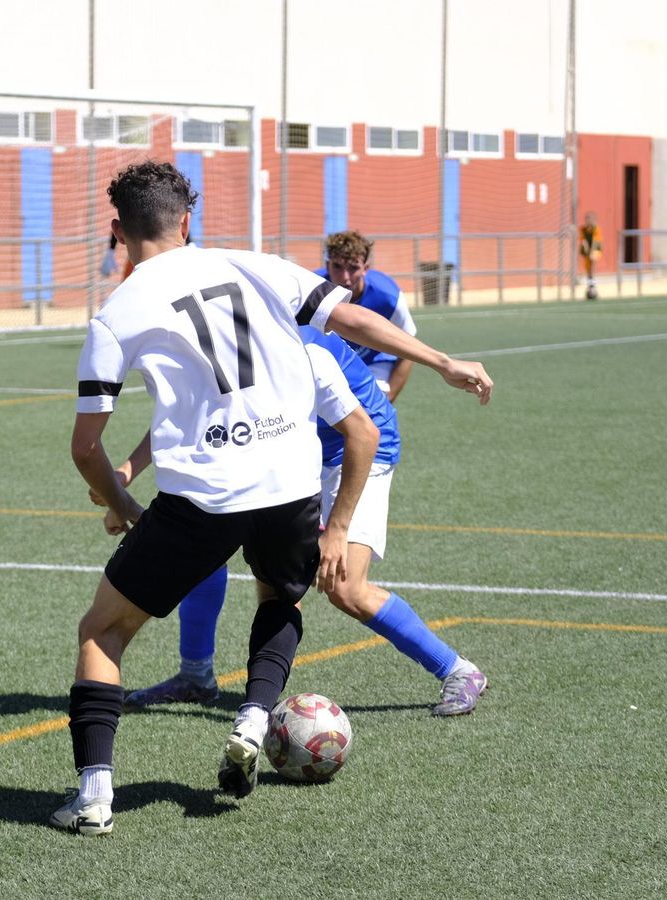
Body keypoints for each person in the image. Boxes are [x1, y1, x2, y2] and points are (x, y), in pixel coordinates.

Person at [56, 161, 493, 836]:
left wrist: (124, 502)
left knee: (104, 631)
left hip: (206, 494)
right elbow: (348, 319)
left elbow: (86, 448)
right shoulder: (258, 265)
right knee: (279, 597)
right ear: (188, 221)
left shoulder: (116, 315)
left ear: (117, 231)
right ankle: (250, 713)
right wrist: (444, 363)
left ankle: (93, 797)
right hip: (289, 483)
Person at [121, 323, 488, 717]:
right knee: (207, 537)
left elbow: (363, 432)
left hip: (359, 449)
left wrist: (337, 530)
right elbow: (185, 415)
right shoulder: (225, 347)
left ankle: (458, 670)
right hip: (289, 450)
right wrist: (124, 472)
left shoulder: (304, 350)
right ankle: (195, 676)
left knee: (346, 588)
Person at [316, 230, 417, 401]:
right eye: (337, 267)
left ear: (365, 268)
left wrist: (389, 397)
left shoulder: (388, 297)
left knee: (370, 410)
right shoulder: (312, 291)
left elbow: (409, 349)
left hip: (374, 362)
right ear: (327, 266)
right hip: (329, 364)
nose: (345, 278)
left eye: (353, 268)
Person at [579, 212, 602, 300]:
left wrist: (591, 252)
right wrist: (586, 250)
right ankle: (590, 286)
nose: (588, 221)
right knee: (588, 269)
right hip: (587, 250)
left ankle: (592, 287)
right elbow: (583, 241)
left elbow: (596, 242)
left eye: (590, 219)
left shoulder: (596, 229)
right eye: (587, 219)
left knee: (592, 264)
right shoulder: (583, 229)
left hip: (595, 248)